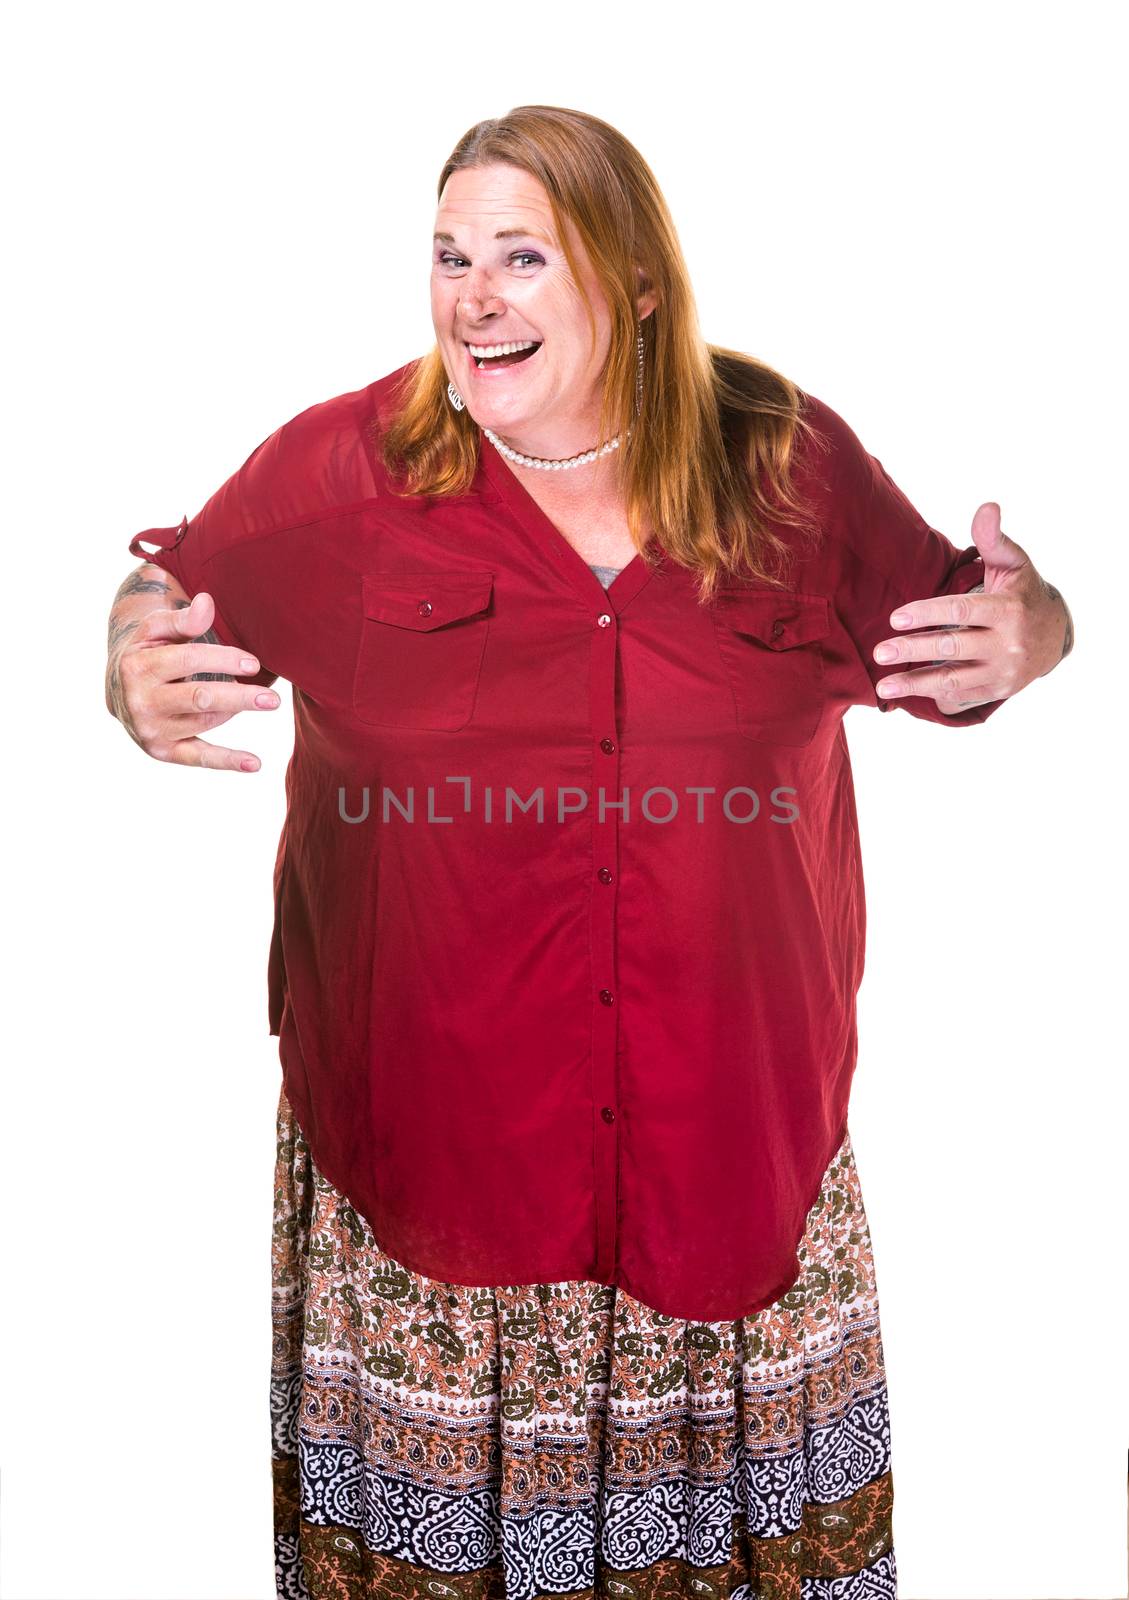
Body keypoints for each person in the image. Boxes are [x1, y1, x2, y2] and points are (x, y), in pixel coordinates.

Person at [106, 106, 1072, 1600]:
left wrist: (1040, 626)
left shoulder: (783, 468)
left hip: (724, 1163)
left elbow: (975, 634)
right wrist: (131, 667)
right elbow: (166, 590)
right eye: (447, 256)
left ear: (629, 279)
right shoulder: (344, 476)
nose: (470, 297)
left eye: (517, 256)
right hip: (438, 1169)